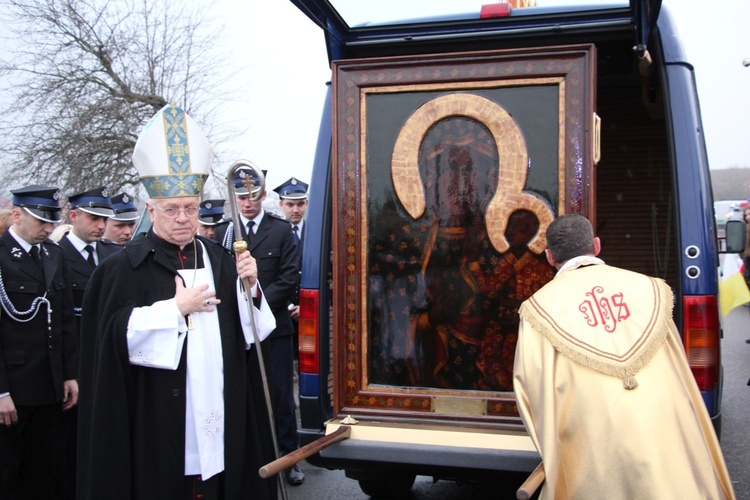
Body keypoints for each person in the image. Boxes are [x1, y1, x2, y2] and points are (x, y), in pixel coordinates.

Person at [77, 104, 278, 499]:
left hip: (218, 405)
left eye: (190, 207)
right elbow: (108, 340)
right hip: (154, 416)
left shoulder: (221, 259)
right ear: (151, 209)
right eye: (171, 209)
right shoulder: (121, 269)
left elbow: (254, 334)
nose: (183, 217)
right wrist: (174, 310)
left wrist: (251, 287)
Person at [513, 213, 735, 499]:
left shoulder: (537, 309)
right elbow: (677, 369)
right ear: (596, 245)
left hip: (594, 449)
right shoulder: (652, 290)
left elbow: (531, 391)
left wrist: (553, 451)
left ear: (549, 257)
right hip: (660, 434)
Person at [216, 168, 303, 486]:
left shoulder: (280, 231)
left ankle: (288, 456)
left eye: (253, 196)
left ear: (264, 196)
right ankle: (255, 456)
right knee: (246, 393)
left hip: (274, 328)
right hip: (240, 330)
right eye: (241, 197)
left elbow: (289, 277)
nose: (247, 202)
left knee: (280, 395)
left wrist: (258, 303)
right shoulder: (227, 233)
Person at [0, 185, 78, 499]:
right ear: (17, 215)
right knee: (8, 472)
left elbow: (64, 322)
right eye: (40, 221)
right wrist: (1, 389)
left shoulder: (54, 254)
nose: (48, 228)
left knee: (46, 471)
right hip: (13, 388)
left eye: (52, 221)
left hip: (50, 385)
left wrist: (70, 373)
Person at [274, 177, 309, 357]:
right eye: (290, 205)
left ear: (307, 203)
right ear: (281, 204)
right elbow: (271, 273)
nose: (295, 209)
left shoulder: (315, 232)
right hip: (282, 308)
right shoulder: (273, 233)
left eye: (300, 204)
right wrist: (288, 306)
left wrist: (306, 305)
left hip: (310, 307)